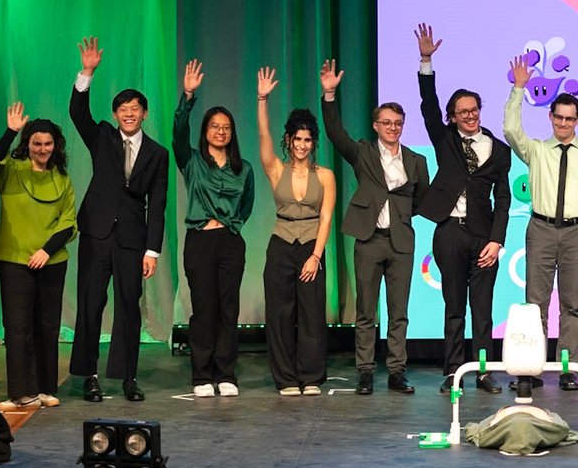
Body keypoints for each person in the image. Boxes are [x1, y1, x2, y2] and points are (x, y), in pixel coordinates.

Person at [69, 35, 170, 403]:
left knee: (129, 307)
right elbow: (78, 113)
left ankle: (128, 377)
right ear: (115, 115)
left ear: (145, 114)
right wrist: (87, 73)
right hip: (96, 234)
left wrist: (152, 251)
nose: (129, 114)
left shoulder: (158, 154)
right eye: (123, 109)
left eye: (135, 109)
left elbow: (158, 205)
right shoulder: (102, 137)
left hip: (131, 240)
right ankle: (90, 375)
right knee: (90, 303)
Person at [413, 23, 513, 394]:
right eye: (462, 112)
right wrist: (426, 62)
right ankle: (453, 372)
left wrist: (497, 241)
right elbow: (428, 106)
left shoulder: (499, 150)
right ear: (452, 117)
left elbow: (504, 199)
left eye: (474, 110)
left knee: (483, 311)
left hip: (484, 238)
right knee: (454, 307)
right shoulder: (445, 140)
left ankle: (484, 372)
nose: (470, 116)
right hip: (449, 233)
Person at [321, 58, 431, 396]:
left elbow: (420, 199)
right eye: (386, 123)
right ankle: (366, 371)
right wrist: (329, 96)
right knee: (366, 311)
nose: (392, 128)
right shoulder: (363, 153)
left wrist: (400, 216)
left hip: (401, 243)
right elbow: (335, 134)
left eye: (397, 123)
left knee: (399, 313)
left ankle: (397, 371)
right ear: (375, 126)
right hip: (369, 240)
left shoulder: (416, 160)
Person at [505, 51, 578, 391]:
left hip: (577, 232)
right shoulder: (536, 150)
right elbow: (510, 129)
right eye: (559, 117)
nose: (563, 124)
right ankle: (532, 368)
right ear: (550, 116)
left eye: (569, 119)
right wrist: (519, 89)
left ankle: (567, 368)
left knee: (571, 305)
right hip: (541, 229)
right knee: (536, 303)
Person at [172, 59, 257, 397]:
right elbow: (178, 133)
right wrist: (188, 96)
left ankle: (226, 374)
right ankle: (202, 376)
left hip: (230, 242)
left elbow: (247, 205)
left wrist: (231, 225)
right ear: (205, 130)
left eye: (226, 127)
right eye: (214, 126)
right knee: (203, 309)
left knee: (228, 309)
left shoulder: (243, 168)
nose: (221, 131)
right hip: (200, 242)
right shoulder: (191, 161)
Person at [0, 101, 77, 409]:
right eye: (36, 143)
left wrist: (46, 251)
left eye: (47, 143)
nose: (42, 149)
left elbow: (68, 222)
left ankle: (45, 389)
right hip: (15, 260)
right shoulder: (13, 171)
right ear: (27, 144)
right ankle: (20, 393)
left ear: (56, 145)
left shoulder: (61, 177)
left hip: (52, 261)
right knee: (17, 327)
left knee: (47, 326)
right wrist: (10, 131)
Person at [255, 68, 337, 396]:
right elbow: (263, 136)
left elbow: (326, 217)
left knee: (312, 313)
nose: (302, 145)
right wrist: (262, 99)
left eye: (307, 140)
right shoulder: (277, 169)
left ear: (313, 142)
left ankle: (311, 376)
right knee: (280, 313)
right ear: (289, 140)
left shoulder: (325, 175)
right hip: (281, 244)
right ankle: (286, 378)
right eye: (297, 139)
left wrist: (316, 256)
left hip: (311, 246)